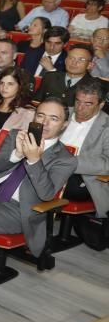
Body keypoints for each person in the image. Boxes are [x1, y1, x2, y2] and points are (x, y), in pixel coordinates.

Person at [0, 99, 75, 259]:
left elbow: (47, 194)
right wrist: (17, 154)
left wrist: (34, 160)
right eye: (41, 116)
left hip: (20, 209)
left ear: (64, 125)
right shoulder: (16, 135)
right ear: (34, 118)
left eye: (53, 119)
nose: (44, 123)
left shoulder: (65, 159)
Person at [58, 81, 109, 222]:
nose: (80, 108)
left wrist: (73, 162)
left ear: (101, 105)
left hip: (83, 176)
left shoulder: (106, 126)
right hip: (50, 166)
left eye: (88, 104)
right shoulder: (63, 112)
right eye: (78, 101)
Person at [0, 67, 35, 158]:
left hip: (3, 157)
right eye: (2, 83)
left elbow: (22, 142)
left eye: (10, 84)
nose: (4, 87)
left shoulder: (29, 112)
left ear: (20, 86)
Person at [34, 44, 103, 107]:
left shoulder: (95, 85)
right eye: (71, 58)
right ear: (65, 61)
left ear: (90, 65)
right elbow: (36, 101)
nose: (74, 62)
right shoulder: (50, 77)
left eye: (81, 60)